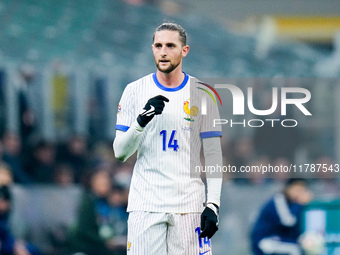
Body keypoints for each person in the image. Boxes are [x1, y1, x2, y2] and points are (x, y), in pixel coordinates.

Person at [113, 22, 223, 255]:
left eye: (171, 45)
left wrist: (213, 204)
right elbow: (120, 152)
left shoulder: (203, 94)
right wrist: (141, 121)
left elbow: (213, 155)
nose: (163, 51)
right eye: (158, 45)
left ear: (184, 51)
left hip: (190, 206)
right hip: (146, 206)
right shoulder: (134, 91)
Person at [251, 178, 313, 255]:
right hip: (264, 241)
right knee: (294, 249)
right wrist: (299, 203)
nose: (299, 194)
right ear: (288, 188)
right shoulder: (279, 199)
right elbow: (288, 221)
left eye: (302, 190)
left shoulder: (293, 204)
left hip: (279, 239)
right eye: (297, 190)